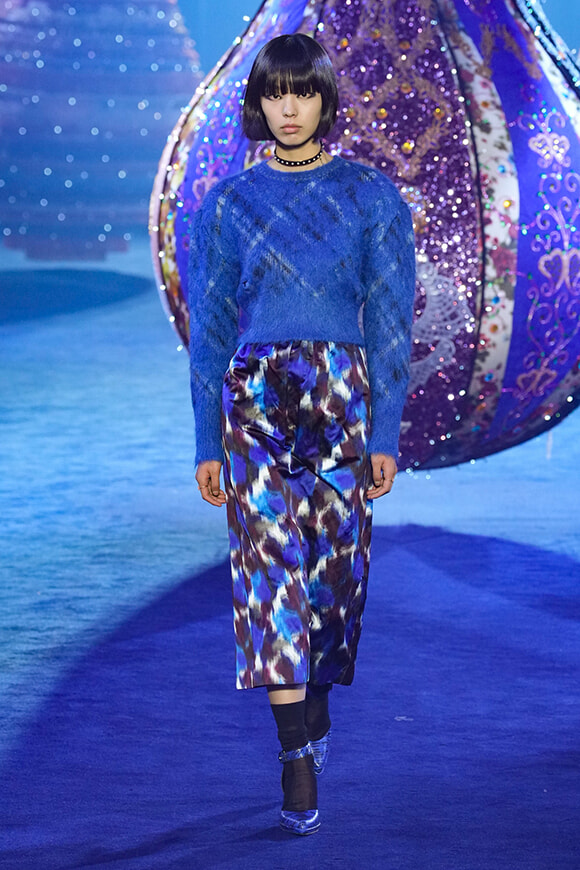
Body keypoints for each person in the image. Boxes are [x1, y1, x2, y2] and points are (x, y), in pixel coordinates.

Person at [187, 33, 416, 836]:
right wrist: (207, 441)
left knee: (333, 580)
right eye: (275, 93)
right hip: (255, 402)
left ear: (324, 99)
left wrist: (386, 431)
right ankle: (293, 754)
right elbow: (210, 329)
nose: (289, 108)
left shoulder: (369, 196)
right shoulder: (229, 204)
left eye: (303, 92)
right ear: (258, 103)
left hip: (342, 402)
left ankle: (314, 707)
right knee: (268, 570)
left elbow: (391, 325)